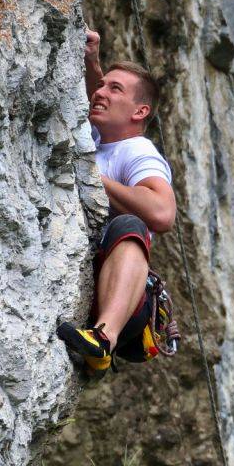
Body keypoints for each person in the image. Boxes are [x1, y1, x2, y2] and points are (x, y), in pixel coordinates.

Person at [56, 29, 177, 376]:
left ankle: (102, 339)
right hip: (93, 277)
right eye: (102, 86)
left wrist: (95, 178)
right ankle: (97, 350)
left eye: (115, 89)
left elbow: (162, 213)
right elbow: (94, 94)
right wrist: (91, 60)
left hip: (123, 306)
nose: (101, 93)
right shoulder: (97, 138)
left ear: (140, 111)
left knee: (130, 225)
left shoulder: (137, 150)